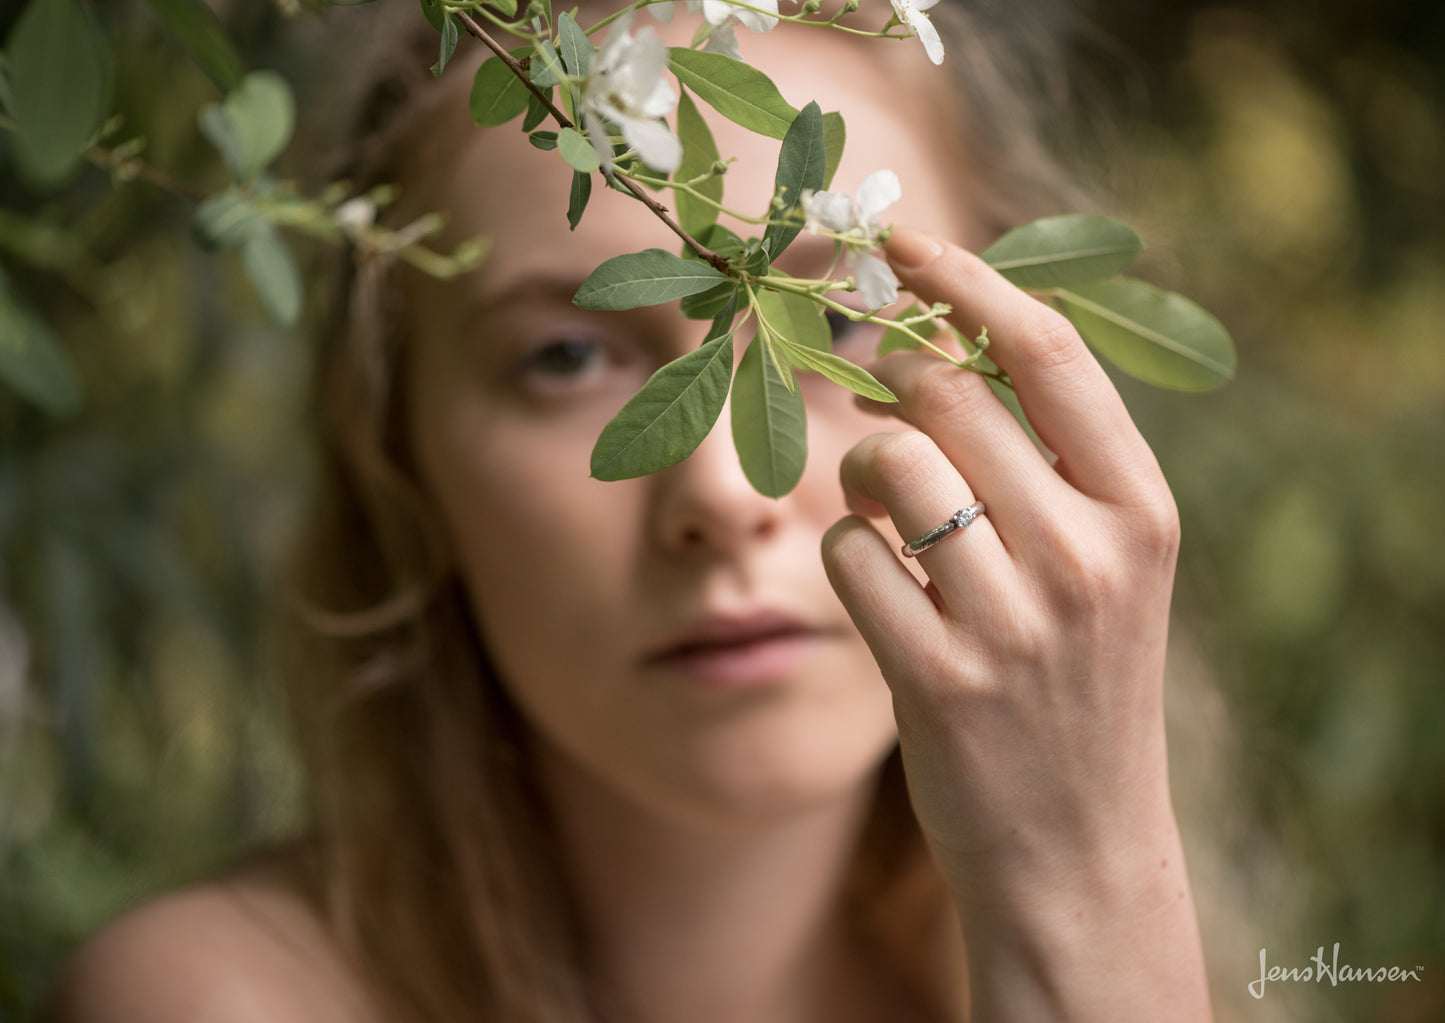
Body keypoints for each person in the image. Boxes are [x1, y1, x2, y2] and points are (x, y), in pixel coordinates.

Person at [40, 1, 1214, 1019]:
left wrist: (1088, 893)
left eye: (841, 325)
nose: (719, 488)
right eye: (562, 356)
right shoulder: (211, 1002)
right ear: (399, 458)